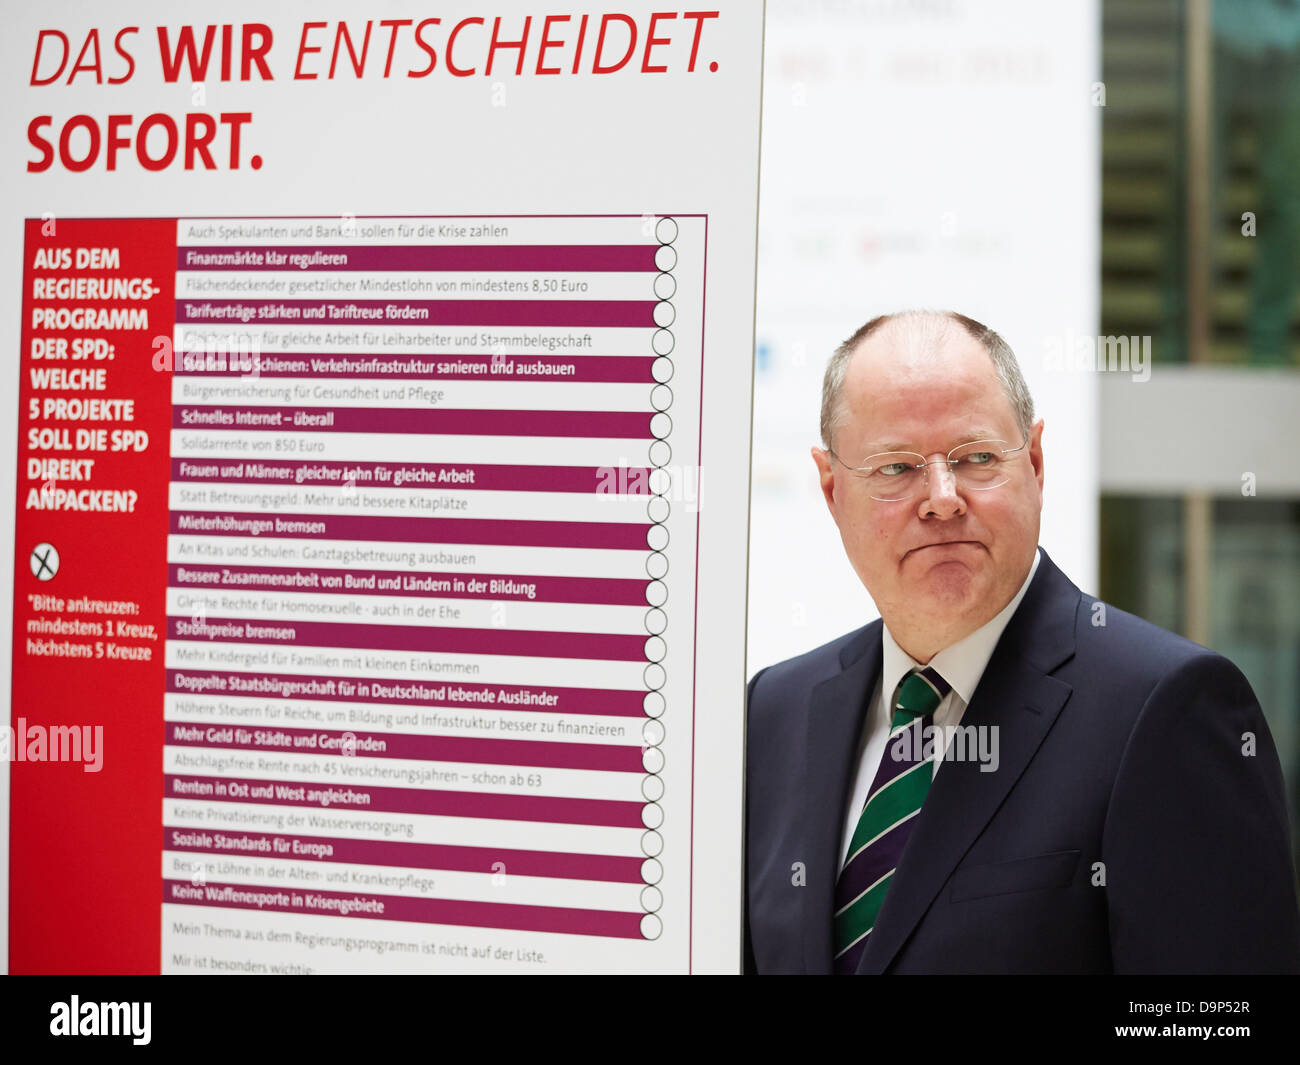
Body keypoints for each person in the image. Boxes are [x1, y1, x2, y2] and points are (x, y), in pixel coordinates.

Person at [743, 310, 1300, 974]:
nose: (943, 498)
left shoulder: (1170, 710)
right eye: (897, 468)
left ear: (1034, 462)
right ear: (832, 489)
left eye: (976, 457)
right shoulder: (775, 709)